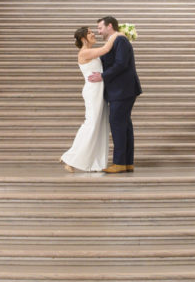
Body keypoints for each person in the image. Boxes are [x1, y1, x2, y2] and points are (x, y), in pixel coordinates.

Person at [59, 26, 120, 172]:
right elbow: (105, 49)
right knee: (91, 124)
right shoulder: (85, 52)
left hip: (99, 91)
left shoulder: (90, 52)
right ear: (82, 38)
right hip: (93, 91)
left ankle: (85, 159)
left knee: (98, 125)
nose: (93, 34)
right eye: (89, 33)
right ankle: (70, 158)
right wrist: (116, 35)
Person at [87, 16, 141, 173]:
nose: (98, 31)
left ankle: (119, 163)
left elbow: (121, 63)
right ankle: (126, 163)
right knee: (124, 126)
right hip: (121, 90)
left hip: (122, 90)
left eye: (100, 28)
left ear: (110, 26)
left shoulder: (120, 40)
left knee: (117, 124)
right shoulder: (114, 41)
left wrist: (102, 76)